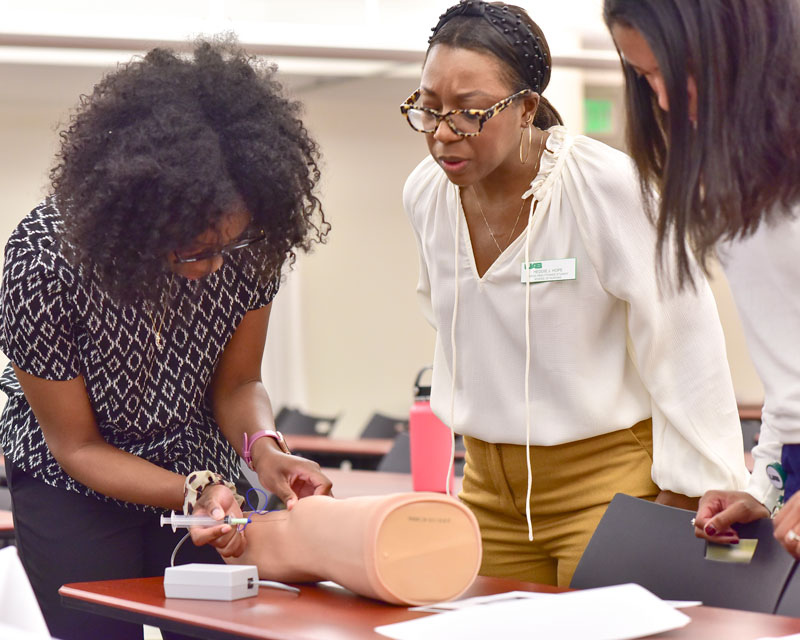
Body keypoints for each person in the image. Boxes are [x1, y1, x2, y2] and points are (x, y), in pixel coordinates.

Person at [399, 0, 750, 587]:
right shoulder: (425, 194)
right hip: (486, 486)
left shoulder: (605, 188)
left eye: (468, 112)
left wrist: (693, 486)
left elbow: (685, 339)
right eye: (428, 109)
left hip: (605, 485)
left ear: (526, 108)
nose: (441, 134)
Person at [0, 38, 333, 640]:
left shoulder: (251, 252)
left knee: (215, 627)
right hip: (74, 483)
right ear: (136, 217)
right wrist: (195, 490)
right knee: (95, 630)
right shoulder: (44, 259)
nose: (212, 266)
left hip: (197, 464)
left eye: (226, 247)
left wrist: (264, 450)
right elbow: (76, 446)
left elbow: (238, 383)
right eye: (192, 250)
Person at [603, 0, 800, 554]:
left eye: (669, 71)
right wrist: (765, 483)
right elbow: (791, 373)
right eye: (644, 78)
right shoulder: (741, 174)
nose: (661, 98)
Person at [186, 483, 482, 606]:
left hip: (219, 489)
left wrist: (267, 448)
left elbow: (241, 384)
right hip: (202, 500)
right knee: (305, 525)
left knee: (306, 524)